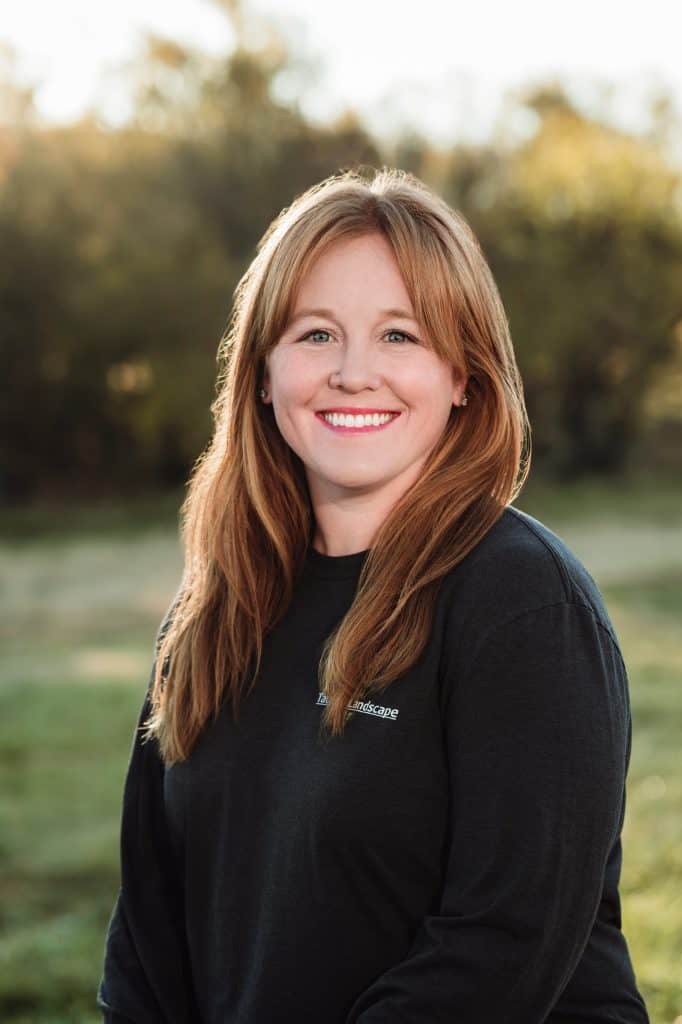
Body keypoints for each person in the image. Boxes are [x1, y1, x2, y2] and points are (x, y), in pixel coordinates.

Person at [97, 166, 650, 1023]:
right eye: (316, 334)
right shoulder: (214, 607)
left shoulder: (523, 603)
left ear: (464, 374)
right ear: (263, 372)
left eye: (402, 336)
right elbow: (147, 939)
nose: (355, 373)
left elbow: (498, 948)